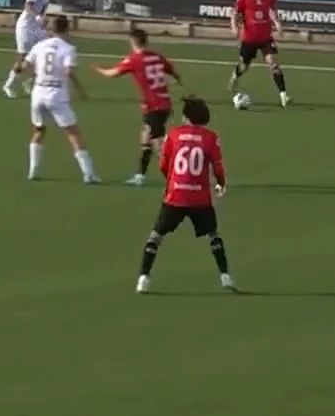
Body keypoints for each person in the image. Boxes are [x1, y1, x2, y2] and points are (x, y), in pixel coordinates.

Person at [136, 96, 235, 295]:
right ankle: (225, 276)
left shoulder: (173, 135)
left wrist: (172, 180)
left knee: (156, 237)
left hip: (176, 196)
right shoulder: (210, 138)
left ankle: (143, 279)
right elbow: (218, 166)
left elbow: (164, 164)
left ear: (186, 117)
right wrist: (221, 183)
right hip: (200, 198)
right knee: (213, 235)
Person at [95, 28, 182, 187]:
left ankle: (177, 176)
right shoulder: (157, 56)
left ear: (132, 42)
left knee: (158, 144)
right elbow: (173, 72)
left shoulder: (135, 59)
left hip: (154, 106)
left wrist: (98, 70)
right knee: (146, 138)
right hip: (163, 104)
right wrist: (175, 80)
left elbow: (113, 74)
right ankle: (140, 175)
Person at [23, 15, 100, 184]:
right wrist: (80, 91)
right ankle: (89, 174)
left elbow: (24, 66)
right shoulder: (68, 49)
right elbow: (68, 72)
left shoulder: (39, 45)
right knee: (73, 134)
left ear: (51, 29)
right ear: (67, 29)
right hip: (56, 94)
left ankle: (33, 171)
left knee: (39, 131)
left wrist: (29, 74)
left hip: (38, 93)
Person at [228, 0, 290, 106]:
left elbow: (272, 12)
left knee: (273, 64)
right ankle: (235, 76)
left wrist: (278, 24)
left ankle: (283, 96)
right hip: (249, 39)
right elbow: (235, 13)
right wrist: (234, 26)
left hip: (265, 38)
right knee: (244, 66)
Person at [2, 0, 60, 98]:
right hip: (26, 27)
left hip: (36, 28)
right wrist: (38, 16)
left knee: (47, 52)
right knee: (22, 58)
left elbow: (42, 10)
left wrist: (44, 25)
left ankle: (29, 81)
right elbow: (28, 5)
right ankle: (9, 85)